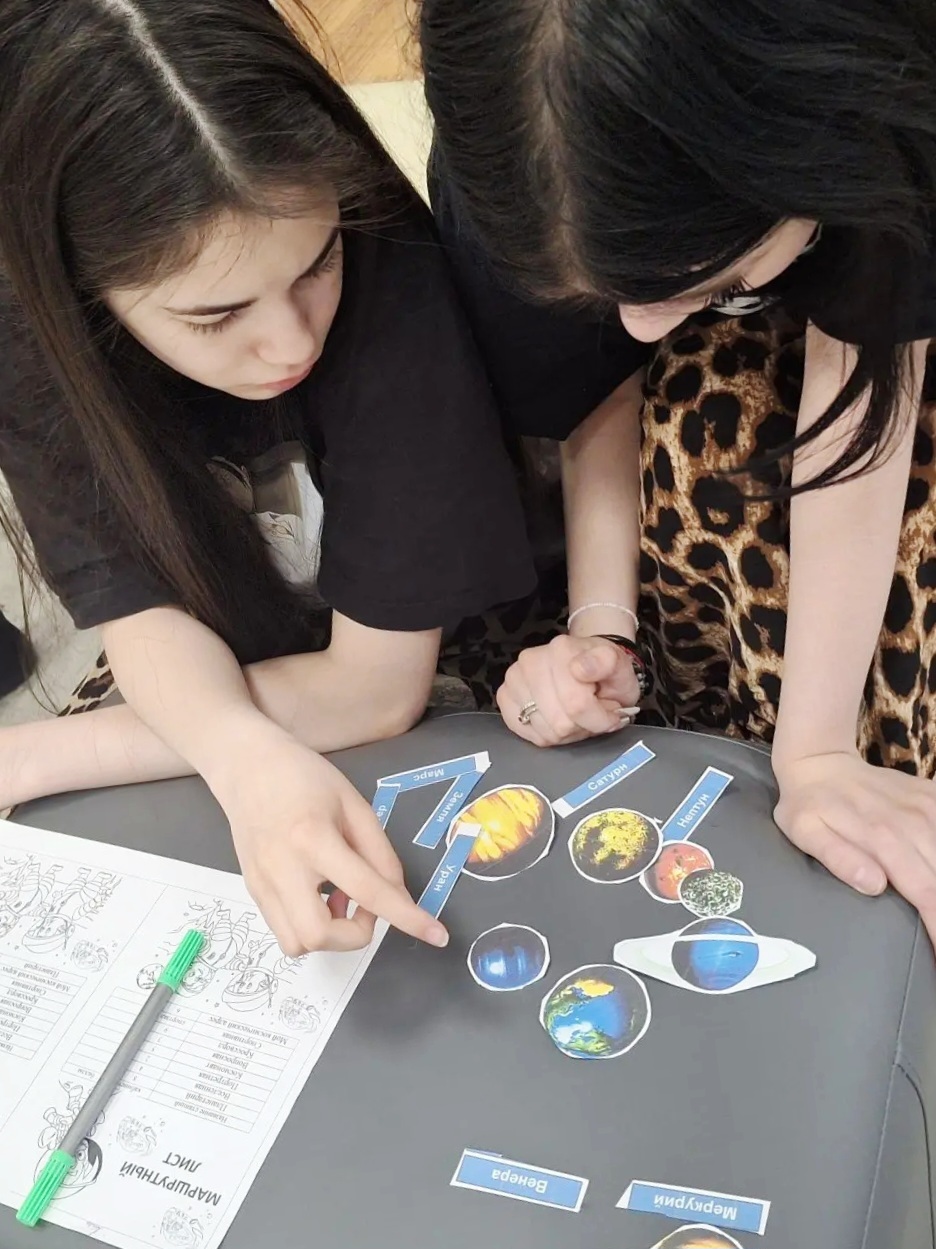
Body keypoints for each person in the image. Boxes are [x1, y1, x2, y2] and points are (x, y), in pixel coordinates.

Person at [0, 0, 538, 956]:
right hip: (235, 661)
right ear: (81, 297)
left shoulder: (381, 254)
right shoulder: (34, 334)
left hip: (445, 653)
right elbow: (140, 610)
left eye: (316, 264)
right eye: (216, 316)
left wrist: (36, 756)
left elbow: (375, 689)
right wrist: (243, 756)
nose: (291, 342)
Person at [419, 0, 936, 942]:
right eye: (605, 295)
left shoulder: (890, 114)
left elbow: (865, 379)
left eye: (717, 283)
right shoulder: (515, 165)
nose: (643, 327)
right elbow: (591, 385)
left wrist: (814, 750)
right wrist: (601, 632)